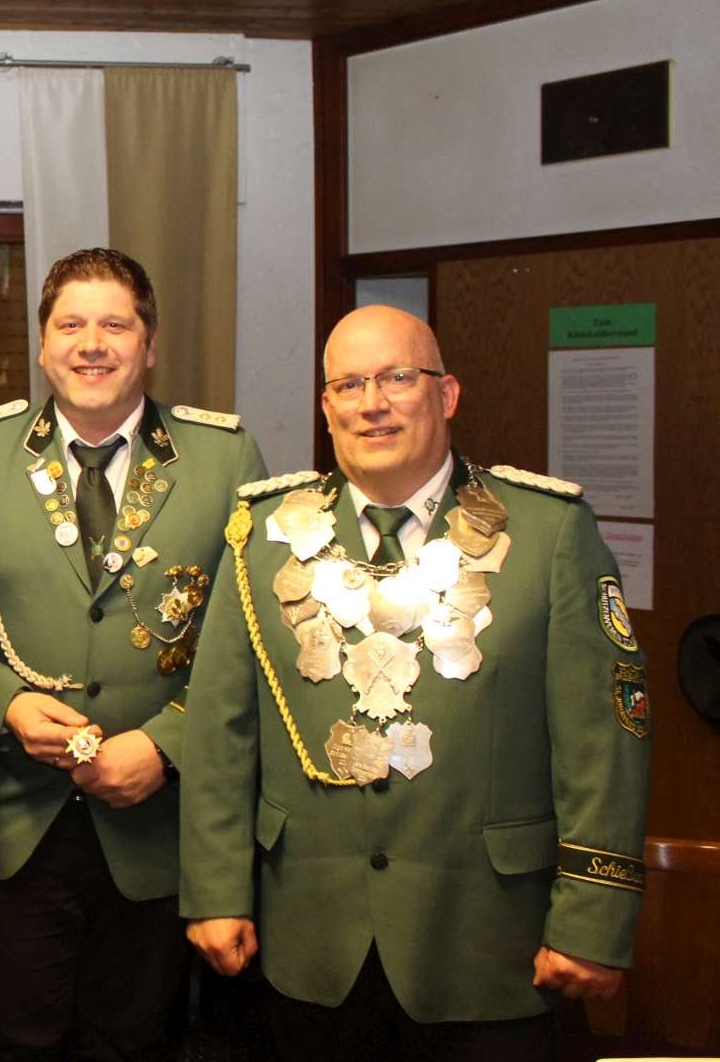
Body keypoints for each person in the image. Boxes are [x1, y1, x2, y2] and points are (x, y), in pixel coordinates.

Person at [179, 304, 651, 1060]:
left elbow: (604, 741)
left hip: (489, 943)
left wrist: (593, 919)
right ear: (327, 406)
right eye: (350, 384)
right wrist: (214, 892)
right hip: (308, 941)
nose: (373, 403)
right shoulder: (260, 539)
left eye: (399, 377)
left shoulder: (549, 533)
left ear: (447, 394)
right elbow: (218, 736)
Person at [0, 249, 267, 1061]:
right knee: (7, 1042)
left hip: (156, 827)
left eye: (115, 325)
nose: (92, 344)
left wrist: (165, 746)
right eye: (71, 325)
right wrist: (7, 702)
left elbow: (248, 646)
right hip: (16, 822)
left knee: (132, 1045)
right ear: (43, 344)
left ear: (150, 344)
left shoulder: (223, 459)